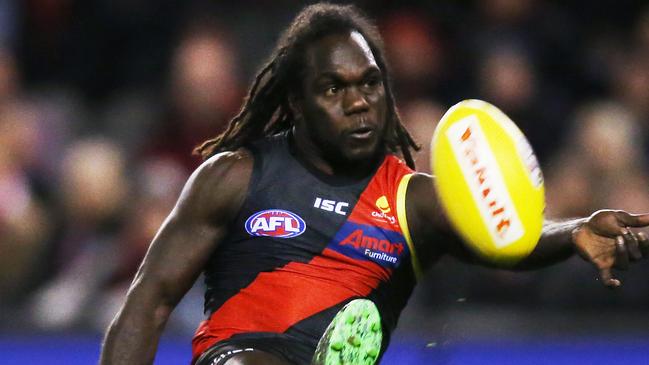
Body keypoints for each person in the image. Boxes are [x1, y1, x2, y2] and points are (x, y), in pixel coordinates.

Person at [99, 4, 649, 365]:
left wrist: (575, 232)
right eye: (333, 89)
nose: (358, 102)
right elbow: (147, 303)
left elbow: (504, 234)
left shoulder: (415, 201)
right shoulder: (233, 175)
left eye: (370, 84)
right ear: (296, 103)